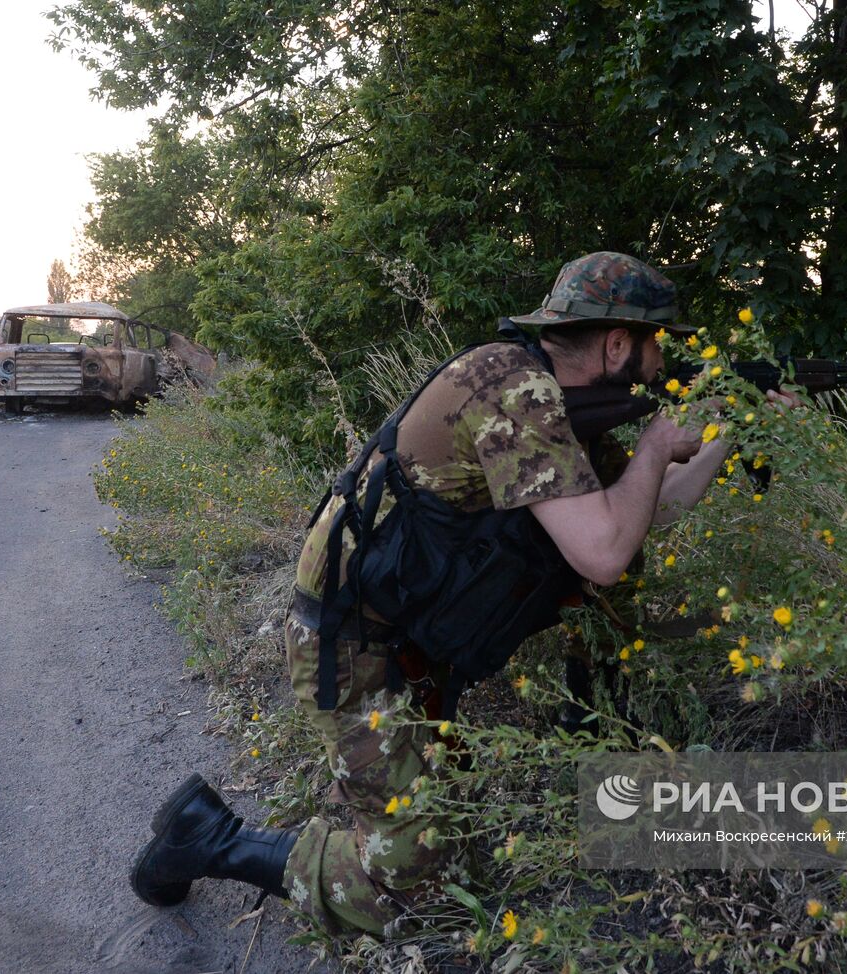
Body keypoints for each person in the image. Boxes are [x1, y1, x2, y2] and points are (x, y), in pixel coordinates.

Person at [129, 251, 755, 936]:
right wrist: (657, 446)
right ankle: (206, 839)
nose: (663, 360)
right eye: (655, 341)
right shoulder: (513, 391)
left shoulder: (556, 409)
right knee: (421, 898)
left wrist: (728, 434)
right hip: (350, 648)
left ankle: (529, 761)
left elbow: (635, 518)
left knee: (455, 856)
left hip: (412, 640)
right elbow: (603, 554)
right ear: (615, 344)